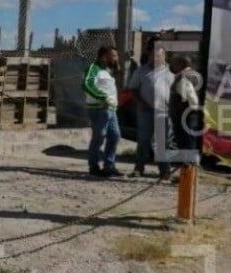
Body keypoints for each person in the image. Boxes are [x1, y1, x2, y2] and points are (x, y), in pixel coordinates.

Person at [126, 46, 174, 179]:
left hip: (163, 111)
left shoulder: (170, 72)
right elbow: (133, 89)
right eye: (153, 55)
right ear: (149, 56)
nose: (156, 58)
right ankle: (139, 169)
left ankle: (165, 171)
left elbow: (176, 90)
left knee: (163, 142)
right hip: (145, 111)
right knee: (143, 141)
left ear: (164, 56)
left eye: (159, 55)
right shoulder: (141, 71)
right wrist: (140, 103)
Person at [83, 46, 121, 177]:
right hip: (99, 108)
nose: (116, 58)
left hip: (111, 109)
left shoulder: (107, 70)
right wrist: (102, 97)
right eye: (114, 56)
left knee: (115, 136)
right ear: (104, 56)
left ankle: (109, 166)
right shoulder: (93, 68)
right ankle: (93, 166)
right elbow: (87, 85)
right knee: (99, 137)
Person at [168, 55, 203, 160]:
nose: (172, 65)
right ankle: (188, 168)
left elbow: (191, 97)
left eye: (174, 63)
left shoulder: (183, 76)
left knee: (185, 141)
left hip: (184, 114)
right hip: (188, 114)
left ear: (181, 64)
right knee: (188, 141)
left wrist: (189, 107)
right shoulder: (192, 74)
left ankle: (188, 168)